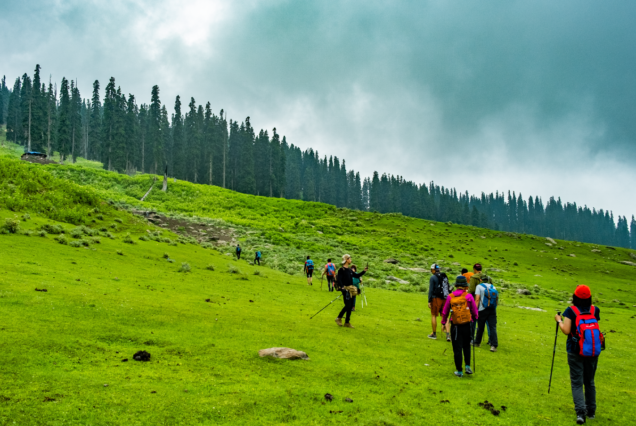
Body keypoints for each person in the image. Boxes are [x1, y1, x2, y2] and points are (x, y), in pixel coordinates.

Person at [555, 285, 602, 425]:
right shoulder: (595, 310)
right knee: (590, 381)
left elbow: (567, 331)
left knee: (577, 382)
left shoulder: (571, 311)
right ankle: (591, 411)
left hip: (575, 350)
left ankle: (581, 413)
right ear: (589, 297)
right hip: (592, 350)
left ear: (575, 296)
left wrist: (559, 321)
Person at [441, 275, 478, 377]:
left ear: (456, 285)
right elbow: (475, 311)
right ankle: (467, 366)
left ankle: (459, 371)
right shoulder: (469, 296)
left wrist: (444, 323)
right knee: (466, 346)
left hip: (456, 326)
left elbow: (445, 312)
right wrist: (474, 319)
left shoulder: (450, 297)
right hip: (467, 325)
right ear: (465, 285)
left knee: (457, 348)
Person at [335, 254, 367, 328]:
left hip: (351, 290)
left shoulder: (349, 270)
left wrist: (364, 271)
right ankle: (338, 318)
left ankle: (347, 322)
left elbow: (356, 275)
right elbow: (339, 279)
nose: (351, 259)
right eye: (349, 258)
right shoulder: (341, 270)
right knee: (348, 305)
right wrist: (342, 288)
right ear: (346, 259)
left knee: (350, 307)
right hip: (345, 289)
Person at [474, 274, 498, 352]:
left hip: (482, 309)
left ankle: (477, 342)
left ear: (481, 280)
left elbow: (477, 299)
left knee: (480, 326)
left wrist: (475, 310)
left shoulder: (479, 286)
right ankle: (493, 345)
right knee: (492, 327)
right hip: (492, 309)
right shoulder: (493, 287)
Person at [427, 264, 451, 341]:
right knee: (445, 316)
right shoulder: (444, 276)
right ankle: (448, 335)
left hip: (436, 298)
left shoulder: (433, 277)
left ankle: (434, 334)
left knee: (434, 315)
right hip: (445, 298)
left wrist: (429, 300)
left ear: (433, 270)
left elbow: (431, 290)